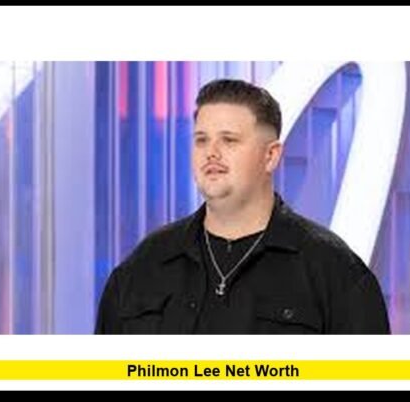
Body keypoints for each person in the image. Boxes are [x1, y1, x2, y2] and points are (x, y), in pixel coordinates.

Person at [95, 78, 390, 334]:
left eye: (229, 140)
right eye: (201, 140)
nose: (211, 153)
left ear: (270, 156)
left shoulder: (334, 272)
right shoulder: (144, 266)